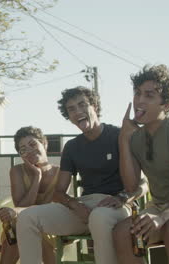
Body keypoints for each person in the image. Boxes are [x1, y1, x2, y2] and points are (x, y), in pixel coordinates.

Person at [16, 87, 136, 264]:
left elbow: (142, 182)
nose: (77, 111)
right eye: (71, 109)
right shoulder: (72, 147)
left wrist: (122, 197)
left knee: (99, 217)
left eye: (82, 105)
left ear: (94, 106)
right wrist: (74, 204)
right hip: (84, 208)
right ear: (68, 115)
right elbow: (59, 193)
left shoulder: (118, 135)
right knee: (27, 217)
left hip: (118, 205)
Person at [114, 64, 169, 264]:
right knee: (122, 232)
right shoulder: (135, 137)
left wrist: (161, 218)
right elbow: (130, 186)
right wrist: (123, 140)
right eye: (137, 93)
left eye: (149, 95)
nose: (140, 100)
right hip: (160, 207)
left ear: (166, 105)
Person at [0, 126, 58, 264]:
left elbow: (51, 210)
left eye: (32, 144)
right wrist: (37, 177)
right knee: (19, 227)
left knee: (28, 228)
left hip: (50, 225)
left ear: (45, 143)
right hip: (20, 224)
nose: (29, 150)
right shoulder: (17, 171)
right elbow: (21, 207)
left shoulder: (60, 173)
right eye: (23, 149)